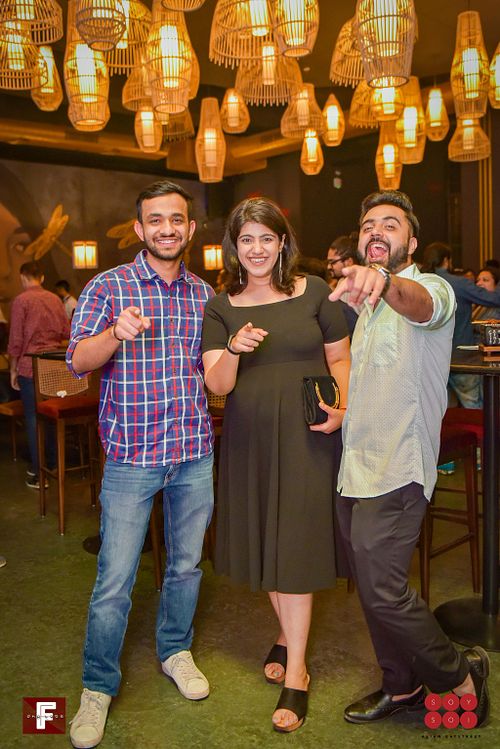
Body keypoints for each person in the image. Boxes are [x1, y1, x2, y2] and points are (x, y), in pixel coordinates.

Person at [330, 191, 490, 729]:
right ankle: (401, 685)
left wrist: (385, 281)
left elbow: (420, 303)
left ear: (412, 243)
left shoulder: (431, 288)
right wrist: (342, 412)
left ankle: (459, 674)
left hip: (399, 465)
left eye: (390, 224)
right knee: (372, 586)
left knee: (383, 588)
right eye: (368, 225)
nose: (376, 231)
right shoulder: (366, 306)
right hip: (356, 463)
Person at [66, 180, 215, 749]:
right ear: (139, 229)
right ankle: (97, 685)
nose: (167, 229)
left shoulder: (204, 294)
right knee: (115, 580)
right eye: (156, 220)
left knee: (186, 566)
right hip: (132, 456)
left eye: (176, 219)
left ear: (190, 228)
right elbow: (78, 359)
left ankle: (175, 650)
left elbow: (213, 369)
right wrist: (114, 333)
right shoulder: (109, 286)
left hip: (193, 452)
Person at [201, 197, 350, 734]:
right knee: (269, 537)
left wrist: (342, 408)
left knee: (295, 543)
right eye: (247, 239)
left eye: (266, 237)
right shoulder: (221, 307)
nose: (257, 248)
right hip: (252, 440)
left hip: (310, 434)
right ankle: (287, 634)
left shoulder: (314, 291)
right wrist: (234, 348)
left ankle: (298, 671)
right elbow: (218, 384)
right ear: (234, 247)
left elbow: (340, 356)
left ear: (282, 242)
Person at [7, 261, 69, 489]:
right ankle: (52, 465)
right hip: (54, 366)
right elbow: (66, 331)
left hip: (29, 366)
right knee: (51, 416)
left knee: (33, 419)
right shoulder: (55, 299)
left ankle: (38, 472)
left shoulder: (21, 300)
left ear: (22, 277)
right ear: (42, 278)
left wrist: (13, 369)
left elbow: (16, 340)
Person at [421, 242, 500, 410]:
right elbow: (494, 299)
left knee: (436, 412)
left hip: (427, 361)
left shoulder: (418, 283)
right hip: (460, 357)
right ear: (446, 260)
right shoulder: (459, 283)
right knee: (473, 408)